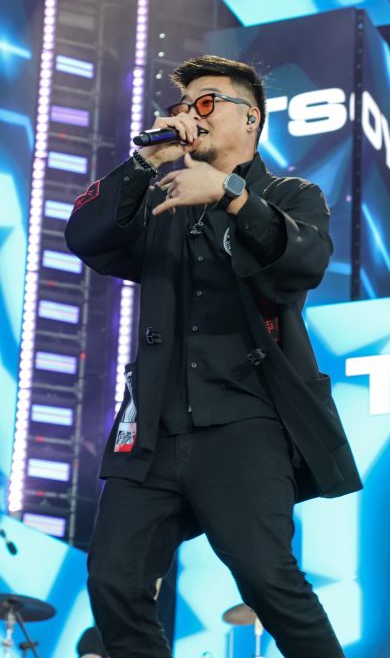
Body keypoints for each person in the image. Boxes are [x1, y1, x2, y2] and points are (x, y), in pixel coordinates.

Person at [65, 55, 362, 658]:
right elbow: (86, 237)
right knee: (114, 581)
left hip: (244, 423)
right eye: (183, 105)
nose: (190, 116)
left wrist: (230, 194)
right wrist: (144, 162)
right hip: (153, 429)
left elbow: (301, 264)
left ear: (250, 118)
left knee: (267, 579)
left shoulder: (291, 195)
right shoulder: (162, 198)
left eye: (206, 103)